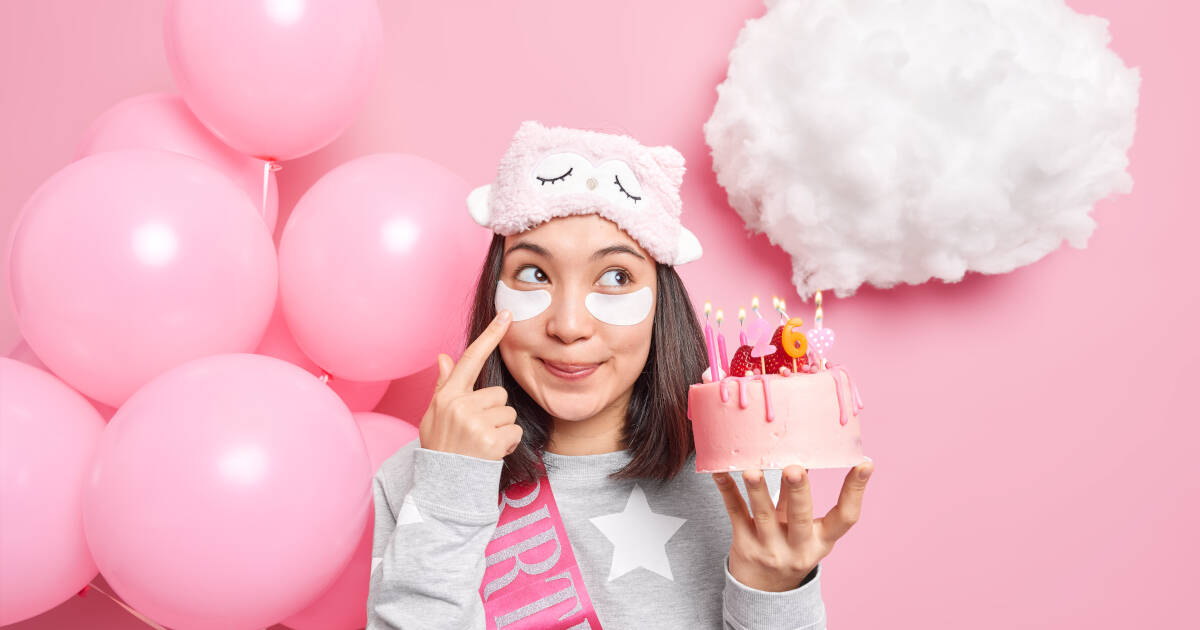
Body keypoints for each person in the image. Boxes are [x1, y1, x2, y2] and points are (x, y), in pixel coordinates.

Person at [366, 121, 874, 629]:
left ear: (661, 304)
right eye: (534, 274)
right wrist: (450, 491)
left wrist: (771, 595)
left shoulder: (742, 480)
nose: (568, 326)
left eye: (616, 278)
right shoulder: (424, 479)